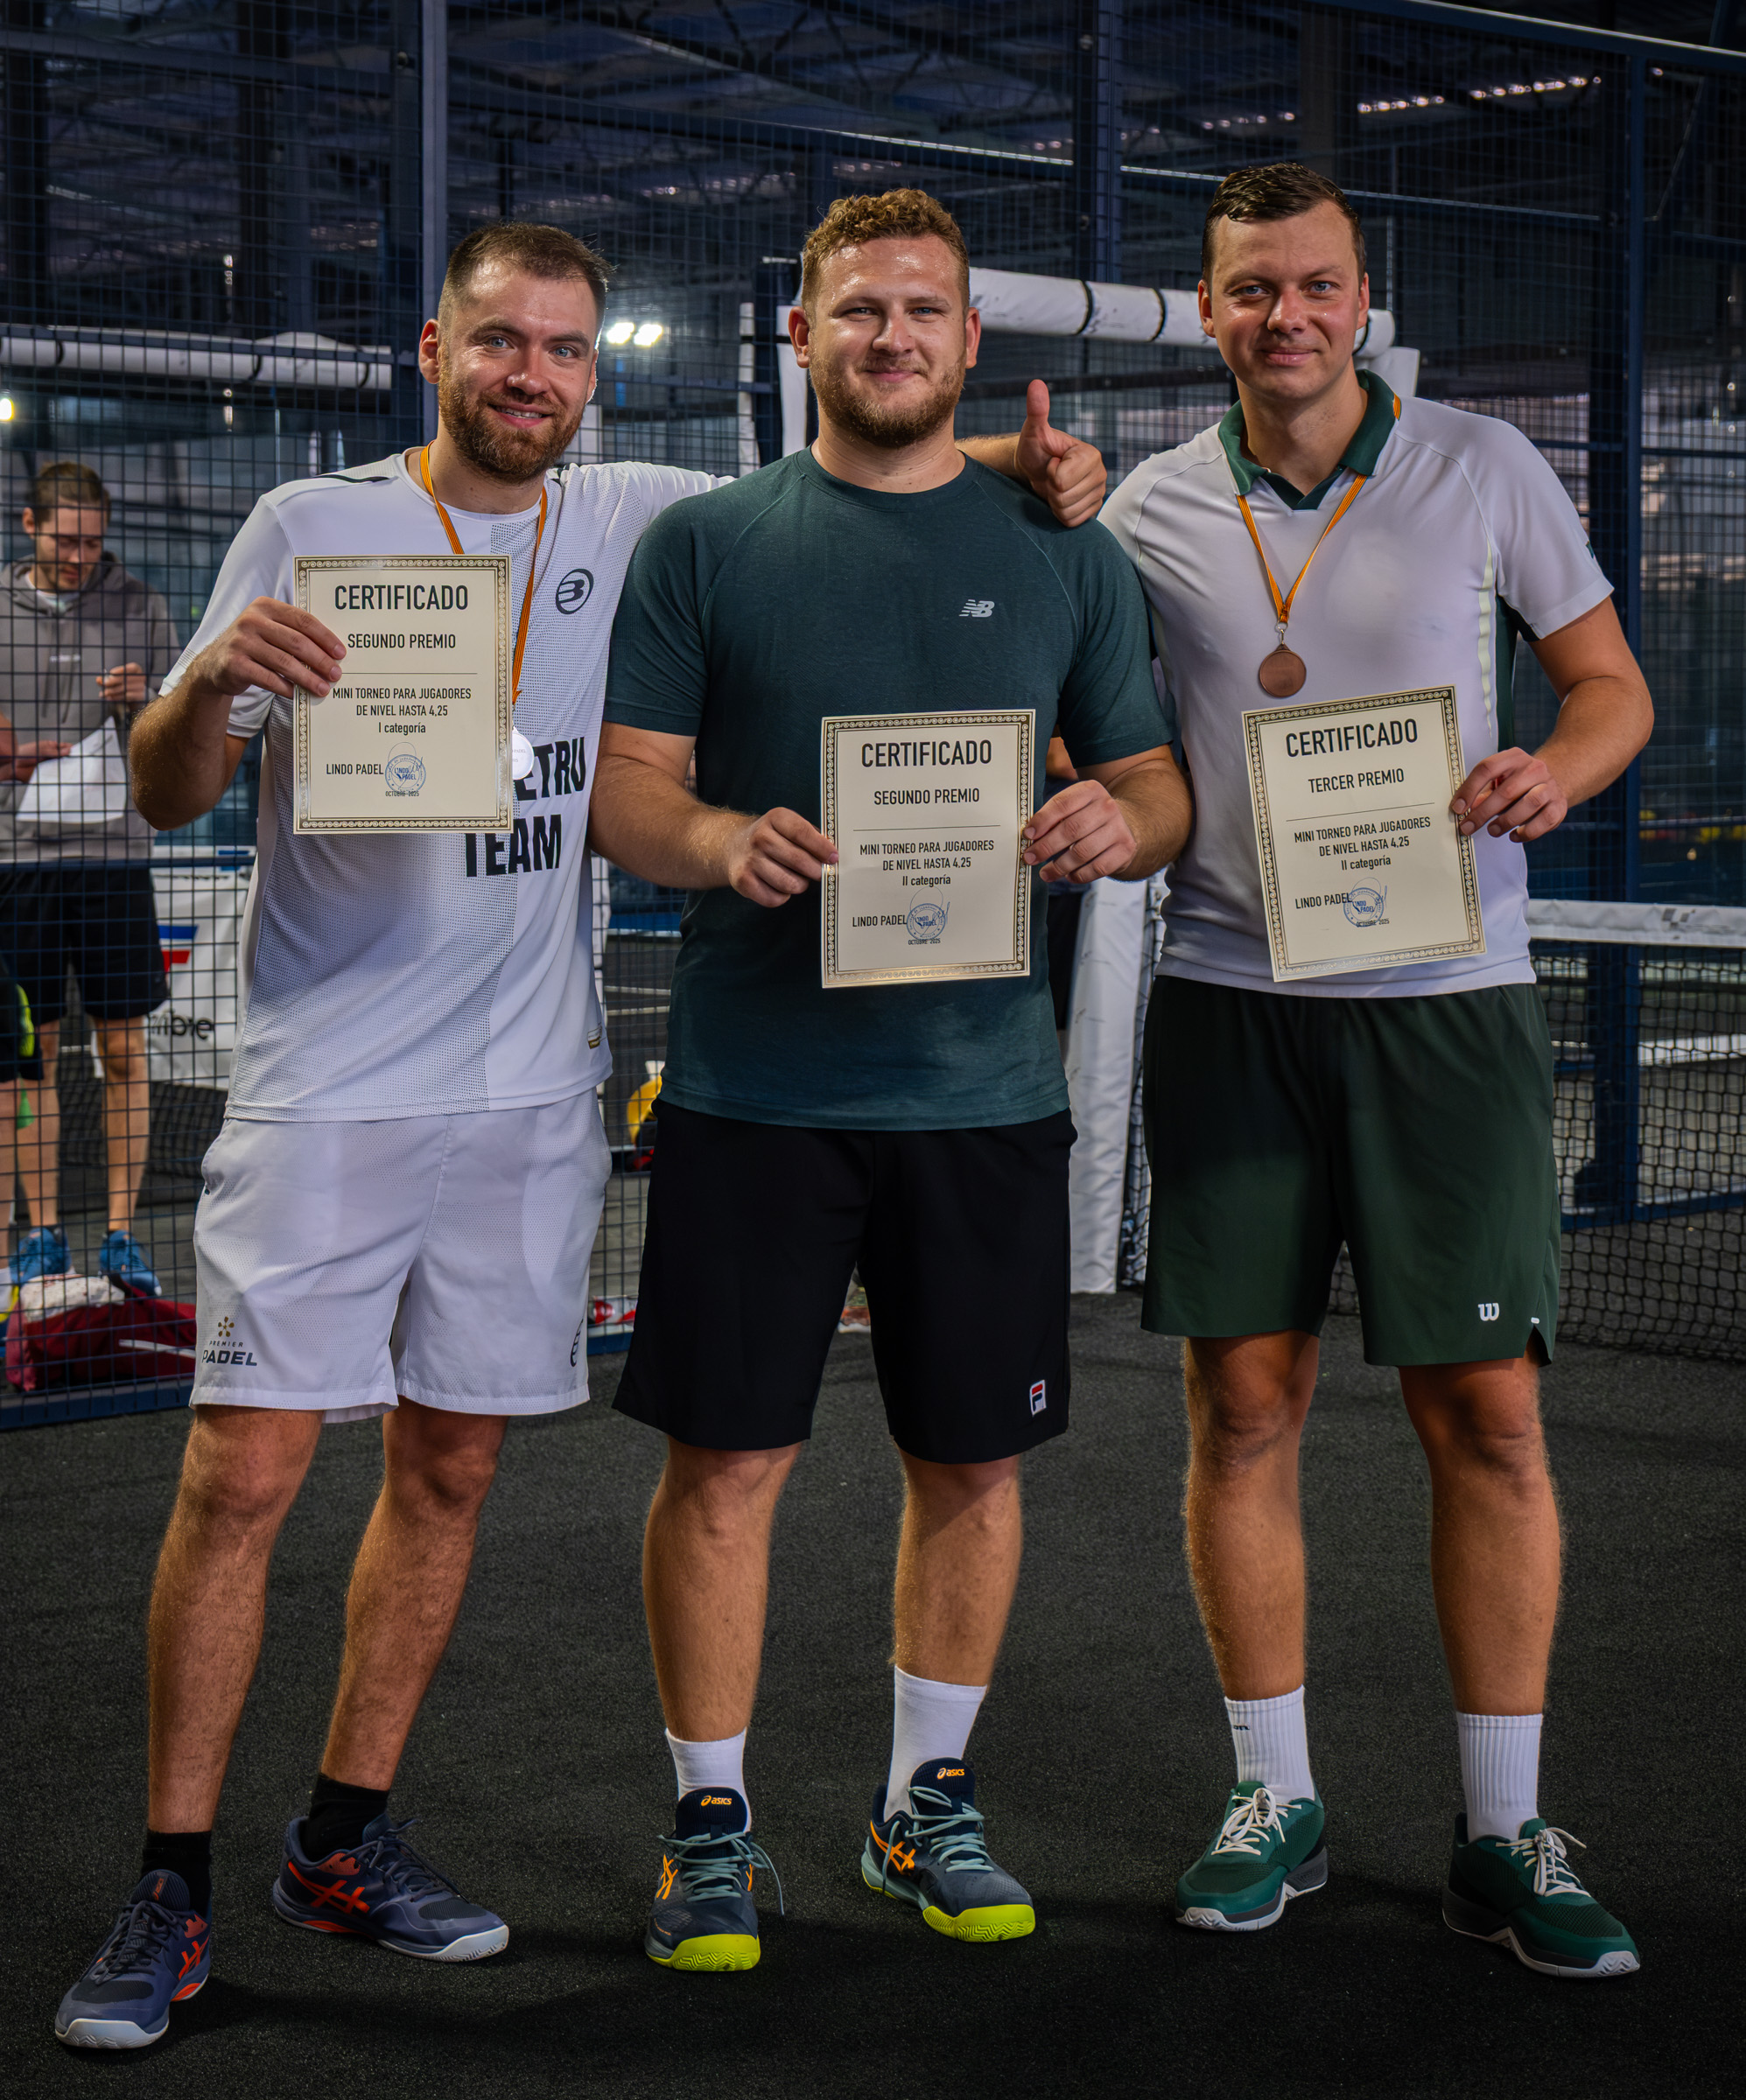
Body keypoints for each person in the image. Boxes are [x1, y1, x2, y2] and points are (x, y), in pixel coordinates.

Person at [49, 219, 1109, 2052]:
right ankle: (166, 1884)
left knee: (450, 1475)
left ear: (589, 379)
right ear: (431, 352)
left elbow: (859, 462)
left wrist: (1038, 459)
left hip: (531, 1096)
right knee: (240, 1478)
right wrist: (214, 674)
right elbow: (164, 789)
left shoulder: (633, 517)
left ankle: (342, 1843)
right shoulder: (309, 525)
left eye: (560, 349)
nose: (529, 373)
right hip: (322, 1087)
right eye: (496, 343)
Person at [593, 186, 1191, 1974]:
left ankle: (918, 1802)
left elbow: (1157, 791)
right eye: (857, 312)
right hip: (753, 1095)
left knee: (973, 1470)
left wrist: (1115, 818)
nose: (892, 339)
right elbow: (632, 791)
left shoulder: (1064, 546)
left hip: (981, 1099)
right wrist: (715, 841)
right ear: (800, 337)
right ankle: (711, 1822)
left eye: (922, 312)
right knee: (723, 1468)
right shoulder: (706, 543)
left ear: (968, 342)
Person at [1098, 162, 1653, 1978]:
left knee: (1484, 1419)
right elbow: (1117, 729)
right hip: (1228, 996)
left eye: (1315, 286)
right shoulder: (1148, 506)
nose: (1286, 317)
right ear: (1209, 312)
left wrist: (1556, 774)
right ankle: (1278, 1798)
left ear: (1362, 298)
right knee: (1238, 1412)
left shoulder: (1484, 466)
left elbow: (1604, 688)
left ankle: (1503, 1831)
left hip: (1447, 1003)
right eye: (1251, 291)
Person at [0, 461, 180, 1293]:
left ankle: (119, 1233)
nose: (80, 556)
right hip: (17, 861)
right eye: (65, 539)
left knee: (122, 1050)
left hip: (113, 858)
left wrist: (145, 702)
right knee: (22, 1059)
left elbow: (178, 738)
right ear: (29, 524)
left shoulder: (140, 607)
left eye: (94, 542)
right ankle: (37, 1233)